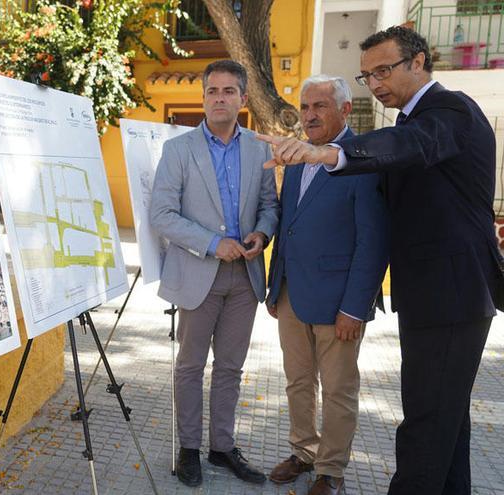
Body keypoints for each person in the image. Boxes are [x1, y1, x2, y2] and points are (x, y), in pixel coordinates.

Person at [258, 26, 500, 495]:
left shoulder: (447, 111)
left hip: (451, 294)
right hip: (433, 295)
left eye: (384, 70)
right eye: (368, 75)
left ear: (419, 61)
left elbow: (408, 148)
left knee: (426, 425)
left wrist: (330, 152)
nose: (376, 83)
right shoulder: (409, 123)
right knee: (446, 421)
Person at [149, 59, 280, 488]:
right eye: (212, 91)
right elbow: (162, 214)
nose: (219, 98)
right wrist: (211, 242)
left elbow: (269, 205)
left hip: (244, 277)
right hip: (198, 272)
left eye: (228, 91)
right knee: (190, 366)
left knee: (230, 367)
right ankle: (189, 449)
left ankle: (222, 448)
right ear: (203, 97)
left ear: (243, 98)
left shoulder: (260, 149)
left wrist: (262, 232)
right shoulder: (179, 150)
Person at [265, 75, 389, 495]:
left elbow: (373, 241)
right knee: (297, 381)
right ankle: (303, 452)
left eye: (320, 106)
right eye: (305, 107)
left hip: (339, 304)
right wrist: (274, 285)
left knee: (338, 390)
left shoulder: (361, 159)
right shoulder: (298, 156)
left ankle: (330, 469)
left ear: (345, 110)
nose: (310, 114)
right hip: (290, 295)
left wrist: (355, 308)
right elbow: (289, 226)